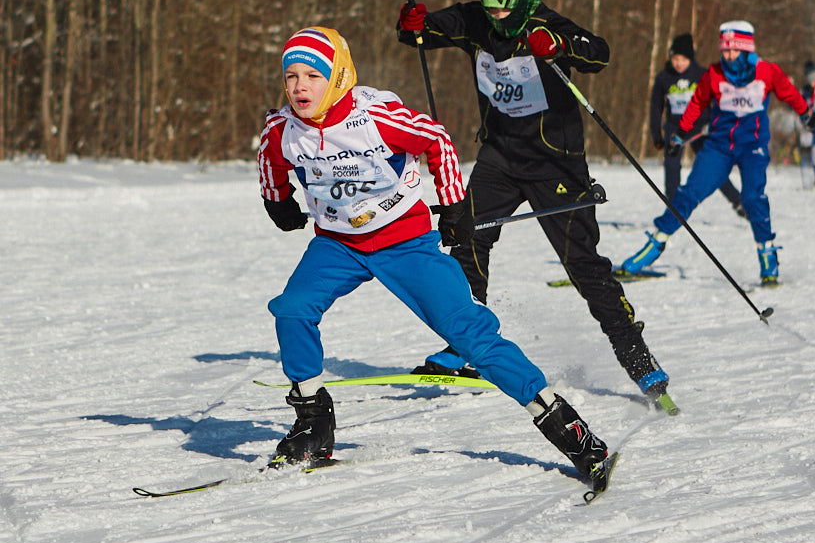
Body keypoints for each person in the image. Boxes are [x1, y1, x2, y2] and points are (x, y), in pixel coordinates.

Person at [257, 26, 613, 489]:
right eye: (291, 77)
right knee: (292, 309)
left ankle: (572, 432)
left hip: (404, 241)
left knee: (469, 334)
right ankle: (312, 422)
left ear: (339, 77)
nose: (300, 86)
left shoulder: (375, 117)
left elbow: (435, 140)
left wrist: (454, 205)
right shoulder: (284, 129)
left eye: (313, 75)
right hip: (338, 244)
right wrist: (277, 200)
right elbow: (270, 161)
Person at [396, 0, 673, 411]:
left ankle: (639, 359)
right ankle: (465, 346)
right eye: (492, 9)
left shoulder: (546, 24)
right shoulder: (475, 20)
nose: (499, 18)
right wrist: (413, 22)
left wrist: (560, 46)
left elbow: (599, 54)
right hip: (500, 158)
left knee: (583, 265)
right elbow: (421, 33)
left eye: (506, 9)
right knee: (466, 235)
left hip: (556, 164)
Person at [618, 20, 809, 285]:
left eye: (734, 50)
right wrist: (681, 133)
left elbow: (788, 93)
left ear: (746, 49)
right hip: (719, 147)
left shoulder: (766, 71)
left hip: (752, 146)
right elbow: (697, 102)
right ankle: (654, 246)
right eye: (724, 50)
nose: (728, 56)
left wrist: (805, 112)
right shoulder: (714, 74)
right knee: (688, 194)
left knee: (752, 198)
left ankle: (767, 254)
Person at [650, 32, 743, 211]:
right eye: (675, 58)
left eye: (683, 59)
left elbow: (719, 100)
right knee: (671, 164)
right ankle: (673, 207)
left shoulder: (702, 75)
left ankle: (738, 201)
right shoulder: (664, 78)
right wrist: (656, 135)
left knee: (711, 167)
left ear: (690, 59)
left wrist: (717, 124)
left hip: (701, 127)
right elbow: (656, 107)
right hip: (675, 128)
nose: (678, 63)